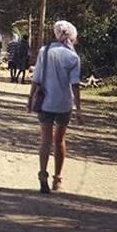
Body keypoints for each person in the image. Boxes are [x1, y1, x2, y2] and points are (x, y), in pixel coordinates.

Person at [26, 20, 83, 194]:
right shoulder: (73, 57)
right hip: (64, 104)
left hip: (45, 103)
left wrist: (30, 98)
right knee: (59, 141)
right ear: (71, 36)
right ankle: (57, 179)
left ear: (56, 34)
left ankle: (42, 174)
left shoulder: (45, 50)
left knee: (45, 141)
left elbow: (36, 78)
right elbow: (75, 85)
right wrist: (79, 109)